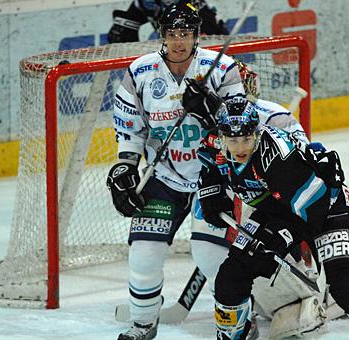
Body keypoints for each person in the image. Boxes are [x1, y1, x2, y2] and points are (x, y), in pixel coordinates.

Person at [196, 100, 349, 339]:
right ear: (221, 136)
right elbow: (209, 168)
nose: (240, 148)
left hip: (327, 207)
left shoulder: (277, 158)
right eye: (233, 140)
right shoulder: (213, 144)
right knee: (231, 276)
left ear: (256, 134)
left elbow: (313, 211)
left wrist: (281, 236)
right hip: (278, 209)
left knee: (346, 285)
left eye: (246, 139)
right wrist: (212, 193)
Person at [105, 3, 244, 339]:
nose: (178, 41)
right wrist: (125, 168)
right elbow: (130, 130)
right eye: (171, 34)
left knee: (211, 256)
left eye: (185, 33)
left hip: (213, 177)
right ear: (163, 35)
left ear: (196, 35)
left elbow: (242, 127)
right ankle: (143, 324)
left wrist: (211, 109)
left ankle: (239, 325)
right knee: (143, 256)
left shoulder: (221, 68)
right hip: (164, 178)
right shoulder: (140, 73)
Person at [108, 0, 228, 43]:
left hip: (211, 49)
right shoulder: (147, 3)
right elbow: (121, 32)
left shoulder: (194, 5)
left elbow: (209, 33)